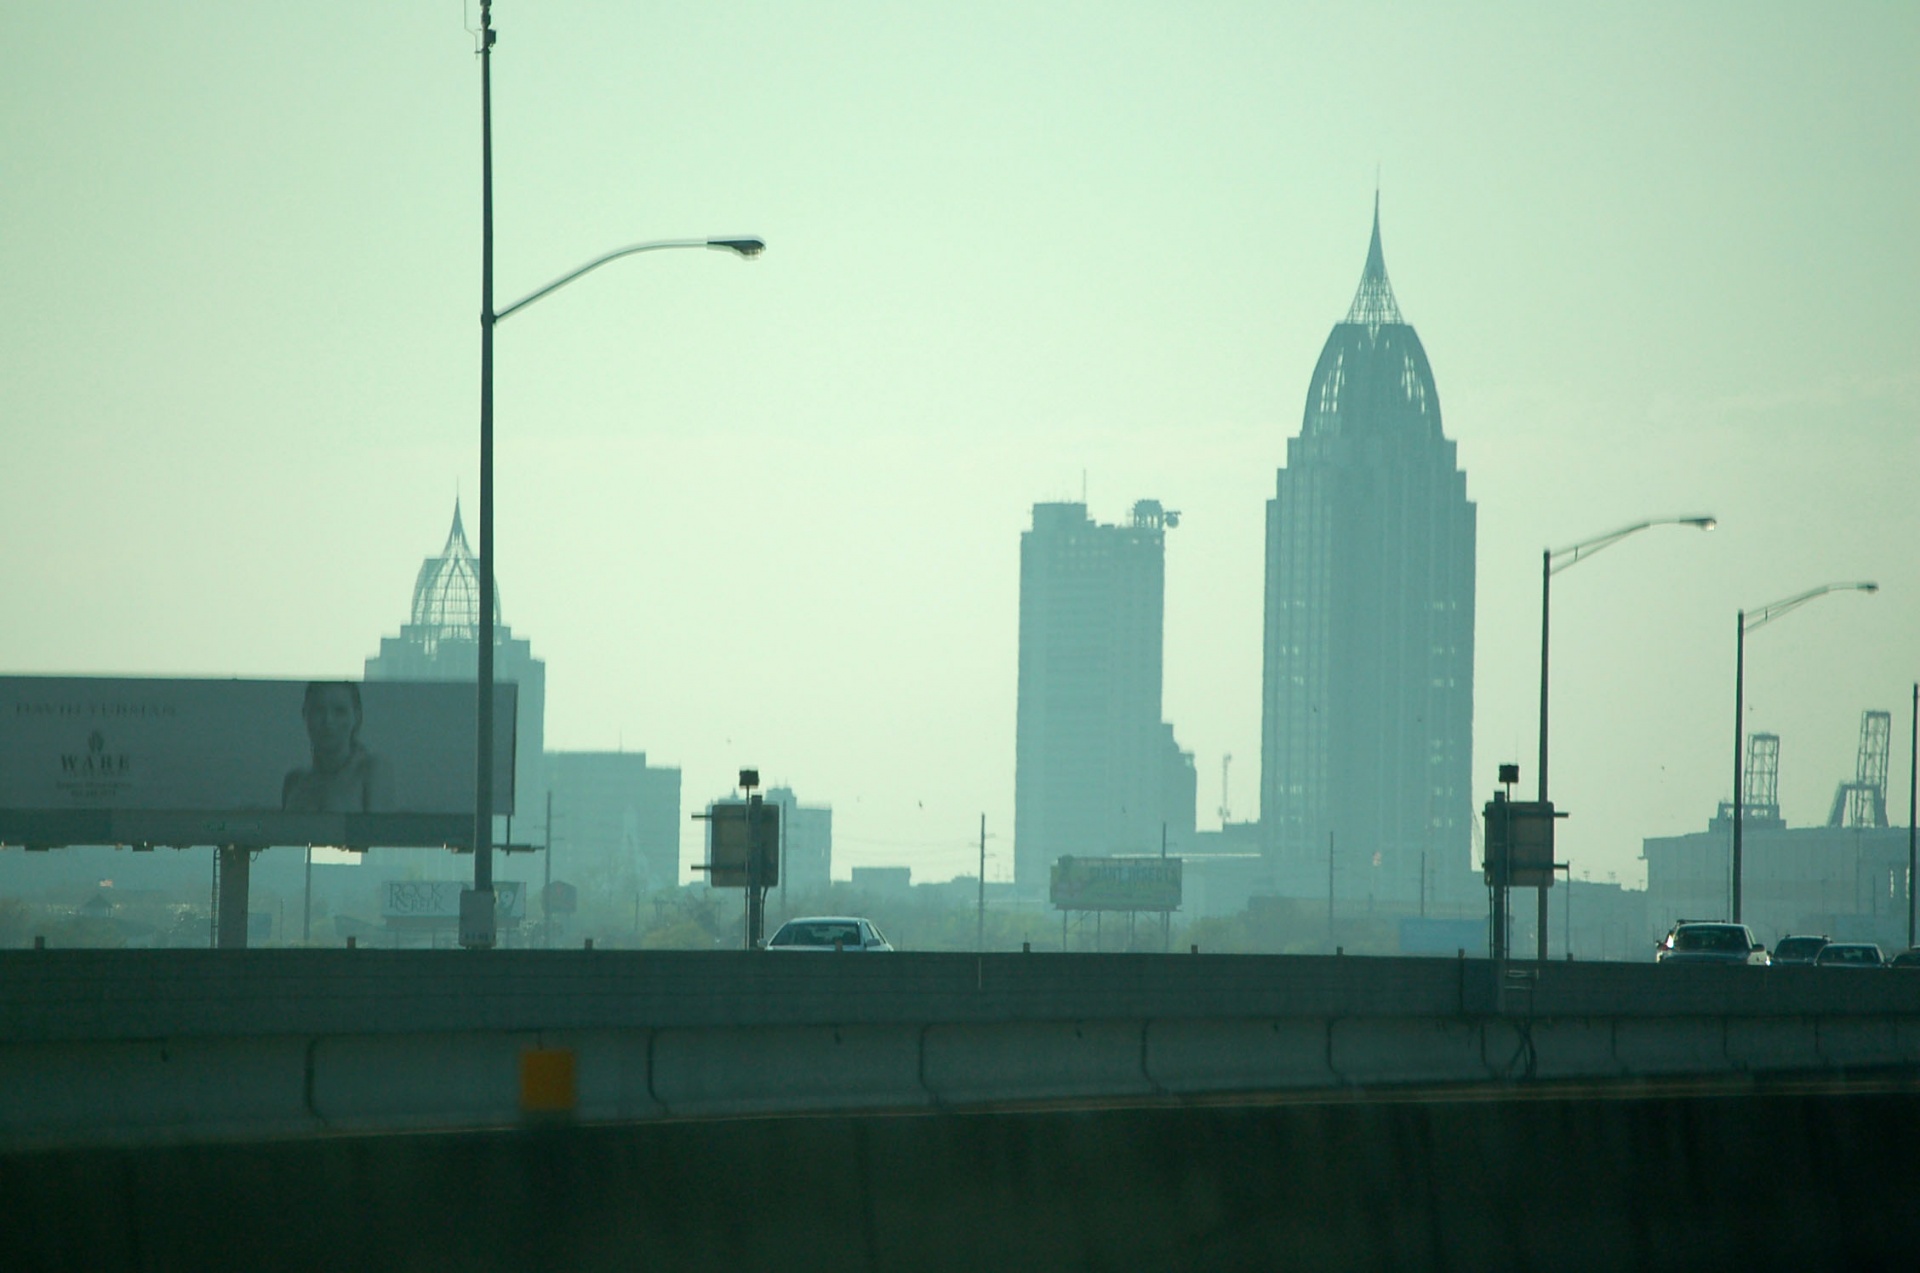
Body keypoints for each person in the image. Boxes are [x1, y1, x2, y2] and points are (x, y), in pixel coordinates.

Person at [281, 681, 395, 812]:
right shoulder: (294, 782)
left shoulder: (372, 770)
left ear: (357, 717)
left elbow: (380, 830)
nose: (328, 721)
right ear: (305, 715)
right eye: (318, 710)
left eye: (340, 711)